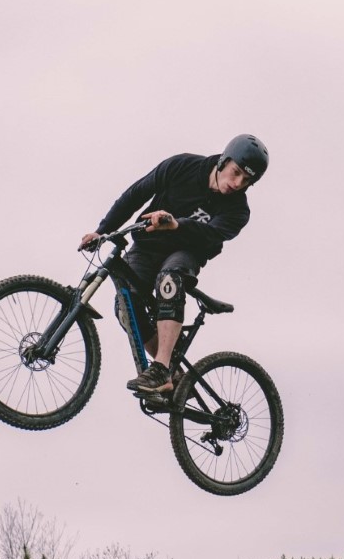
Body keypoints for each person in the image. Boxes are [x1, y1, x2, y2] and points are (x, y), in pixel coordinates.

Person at [79, 134, 270, 394]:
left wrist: (176, 224)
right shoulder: (181, 166)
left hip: (186, 252)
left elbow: (211, 234)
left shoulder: (238, 211)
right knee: (126, 307)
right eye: (236, 172)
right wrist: (102, 230)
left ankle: (160, 368)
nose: (237, 184)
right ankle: (172, 373)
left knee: (169, 278)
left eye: (246, 181)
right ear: (224, 160)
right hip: (146, 248)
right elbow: (136, 194)